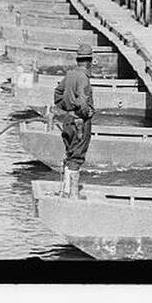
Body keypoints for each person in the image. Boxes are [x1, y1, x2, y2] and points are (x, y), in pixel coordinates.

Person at [52, 42, 96, 196]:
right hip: (80, 122)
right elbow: (83, 102)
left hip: (68, 120)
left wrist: (66, 107)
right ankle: (73, 195)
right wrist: (86, 113)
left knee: (70, 153)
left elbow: (57, 93)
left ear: (78, 60)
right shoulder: (84, 78)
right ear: (89, 62)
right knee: (77, 157)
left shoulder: (70, 74)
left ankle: (66, 190)